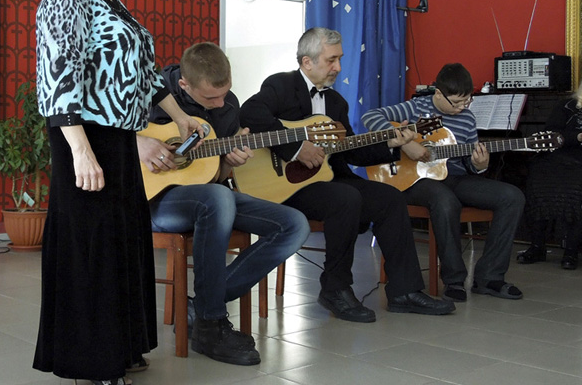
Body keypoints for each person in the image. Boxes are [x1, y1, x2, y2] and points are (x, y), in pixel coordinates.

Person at [32, 0, 201, 385]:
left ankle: (120, 346)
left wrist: (181, 116)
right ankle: (92, 359)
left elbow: (143, 74)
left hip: (120, 139)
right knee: (92, 250)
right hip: (85, 138)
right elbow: (58, 78)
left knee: (122, 245)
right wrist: (80, 151)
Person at [239, 28, 455, 322]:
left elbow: (350, 151)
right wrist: (297, 149)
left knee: (390, 197)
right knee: (345, 197)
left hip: (328, 180)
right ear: (307, 62)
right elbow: (250, 114)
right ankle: (335, 288)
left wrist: (391, 143)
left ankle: (404, 291)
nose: (338, 67)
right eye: (331, 60)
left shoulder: (337, 103)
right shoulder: (281, 85)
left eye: (339, 59)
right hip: (286, 187)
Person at [137, 42, 310, 366]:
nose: (220, 103)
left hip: (211, 199)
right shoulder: (149, 90)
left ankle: (202, 307)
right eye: (210, 98)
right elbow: (109, 133)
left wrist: (230, 162)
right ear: (184, 84)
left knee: (294, 224)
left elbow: (217, 175)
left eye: (224, 94)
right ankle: (211, 323)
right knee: (217, 198)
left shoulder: (229, 105)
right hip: (154, 200)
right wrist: (142, 143)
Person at [362, 63, 525, 301]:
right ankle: (454, 279)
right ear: (438, 93)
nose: (462, 108)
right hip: (414, 180)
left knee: (512, 197)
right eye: (456, 102)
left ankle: (490, 277)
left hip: (454, 177)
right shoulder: (417, 107)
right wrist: (407, 144)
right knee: (445, 200)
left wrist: (479, 165)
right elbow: (370, 116)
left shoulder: (467, 118)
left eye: (466, 101)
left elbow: (468, 164)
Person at [518, 80, 582, 270]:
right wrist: (577, 136)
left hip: (579, 163)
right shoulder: (567, 106)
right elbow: (551, 134)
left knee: (575, 189)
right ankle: (537, 246)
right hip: (558, 157)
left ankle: (571, 251)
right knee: (538, 179)